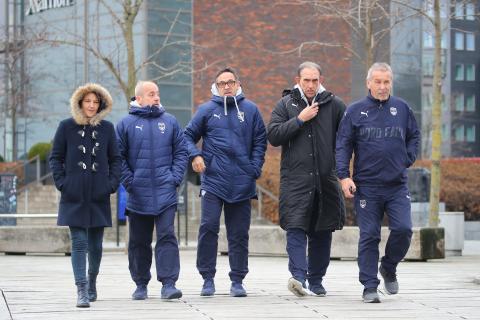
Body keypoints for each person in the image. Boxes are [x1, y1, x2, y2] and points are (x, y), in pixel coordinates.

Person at [336, 62, 420, 303]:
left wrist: (407, 158)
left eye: (387, 82)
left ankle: (389, 267)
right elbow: (343, 145)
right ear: (369, 83)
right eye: (378, 82)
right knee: (369, 235)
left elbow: (414, 136)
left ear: (390, 83)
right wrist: (344, 176)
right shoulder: (354, 111)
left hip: (396, 185)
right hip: (367, 187)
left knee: (404, 230)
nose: (383, 87)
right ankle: (369, 286)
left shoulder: (402, 108)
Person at [184, 67, 267, 297]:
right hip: (213, 181)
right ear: (216, 86)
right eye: (222, 83)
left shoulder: (250, 110)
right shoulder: (207, 110)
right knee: (208, 228)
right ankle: (207, 279)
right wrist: (196, 155)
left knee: (239, 233)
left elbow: (261, 140)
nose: (227, 86)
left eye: (231, 82)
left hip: (243, 181)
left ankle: (237, 280)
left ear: (238, 83)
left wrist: (254, 168)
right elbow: (187, 136)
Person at [267, 61, 346, 298]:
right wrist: (300, 119)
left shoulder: (335, 105)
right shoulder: (285, 104)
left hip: (326, 181)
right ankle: (298, 278)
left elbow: (346, 141)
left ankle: (316, 280)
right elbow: (273, 135)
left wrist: (344, 174)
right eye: (306, 80)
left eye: (315, 80)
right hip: (295, 181)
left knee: (323, 231)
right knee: (296, 228)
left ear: (321, 79)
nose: (311, 85)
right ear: (298, 80)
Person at [49, 83, 121, 308]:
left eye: (95, 102)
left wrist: (110, 184)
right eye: (87, 101)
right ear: (79, 103)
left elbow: (116, 159)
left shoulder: (108, 128)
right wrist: (63, 183)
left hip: (98, 194)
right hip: (73, 194)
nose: (91, 105)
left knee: (96, 245)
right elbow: (55, 157)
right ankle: (81, 289)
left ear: (101, 105)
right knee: (79, 243)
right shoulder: (66, 127)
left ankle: (92, 281)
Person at [116, 81, 187, 300]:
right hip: (138, 194)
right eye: (150, 94)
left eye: (157, 93)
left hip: (166, 192)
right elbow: (117, 158)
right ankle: (140, 284)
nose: (156, 97)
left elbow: (181, 152)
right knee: (139, 241)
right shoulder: (125, 124)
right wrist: (130, 182)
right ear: (139, 99)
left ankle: (169, 284)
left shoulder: (170, 121)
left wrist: (174, 178)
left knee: (167, 237)